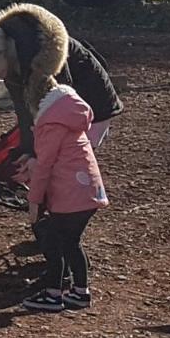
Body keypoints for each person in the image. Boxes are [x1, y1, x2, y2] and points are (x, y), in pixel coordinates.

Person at [0, 3, 124, 155]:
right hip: (67, 108)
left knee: (71, 161)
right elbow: (24, 110)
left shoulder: (43, 55)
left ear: (0, 53)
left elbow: (66, 108)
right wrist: (28, 150)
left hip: (91, 103)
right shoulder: (10, 65)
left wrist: (41, 155)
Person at [22, 83, 109, 312]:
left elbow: (44, 165)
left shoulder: (51, 125)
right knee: (71, 242)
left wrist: (35, 200)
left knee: (53, 242)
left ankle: (53, 293)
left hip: (70, 195)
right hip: (89, 192)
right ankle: (81, 291)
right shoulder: (71, 117)